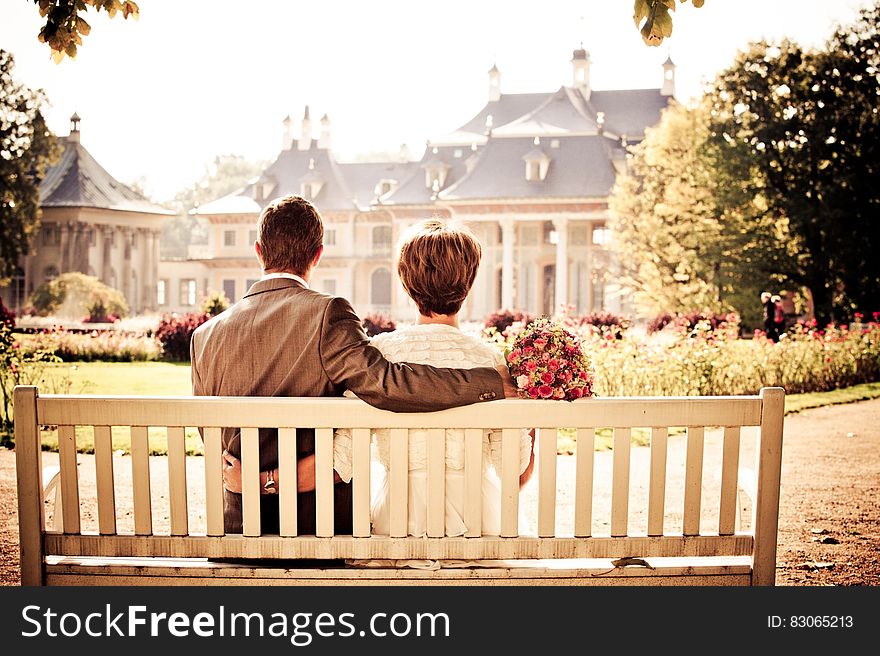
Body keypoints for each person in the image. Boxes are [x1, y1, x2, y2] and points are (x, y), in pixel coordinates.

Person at [191, 194, 515, 535]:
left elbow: (212, 439)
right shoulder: (327, 314)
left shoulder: (204, 336)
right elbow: (387, 384)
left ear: (258, 251)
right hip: (319, 528)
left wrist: (255, 482)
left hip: (238, 528)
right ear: (318, 254)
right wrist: (492, 383)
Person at [332, 219, 535, 538]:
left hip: (399, 526)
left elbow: (342, 462)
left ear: (405, 282)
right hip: (477, 526)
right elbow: (515, 472)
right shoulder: (490, 361)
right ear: (468, 283)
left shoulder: (378, 357)